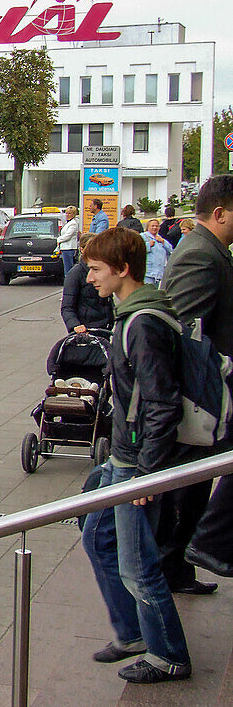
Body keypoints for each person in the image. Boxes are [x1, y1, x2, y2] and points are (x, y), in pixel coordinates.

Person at [80, 228, 192, 684]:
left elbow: (162, 401)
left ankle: (168, 655)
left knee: (137, 565)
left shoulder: (142, 321)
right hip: (125, 456)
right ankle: (131, 632)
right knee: (96, 536)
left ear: (122, 270)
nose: (88, 279)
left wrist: (147, 472)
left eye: (95, 270)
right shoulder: (133, 312)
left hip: (135, 462)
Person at [156, 174, 233, 596]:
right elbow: (185, 334)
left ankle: (183, 569)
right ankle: (188, 559)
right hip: (200, 400)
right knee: (186, 490)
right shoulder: (200, 255)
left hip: (207, 398)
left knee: (197, 485)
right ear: (219, 213)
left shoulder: (211, 250)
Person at [60, 232, 114, 334]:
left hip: (105, 329)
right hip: (86, 331)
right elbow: (67, 307)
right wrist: (75, 325)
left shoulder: (105, 270)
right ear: (82, 249)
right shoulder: (75, 273)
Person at [142, 219, 172, 285]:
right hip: (148, 273)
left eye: (157, 226)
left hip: (159, 273)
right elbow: (137, 250)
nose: (155, 228)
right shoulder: (143, 236)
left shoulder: (160, 238)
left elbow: (171, 250)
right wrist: (148, 245)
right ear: (148, 227)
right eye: (152, 226)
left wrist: (163, 242)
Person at [56, 205, 81, 274]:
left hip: (69, 248)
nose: (67, 215)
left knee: (68, 268)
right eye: (66, 213)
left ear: (74, 214)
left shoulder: (73, 224)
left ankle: (69, 283)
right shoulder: (68, 223)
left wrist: (58, 240)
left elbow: (68, 236)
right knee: (66, 268)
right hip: (65, 248)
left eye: (69, 213)